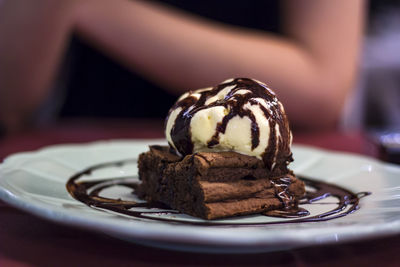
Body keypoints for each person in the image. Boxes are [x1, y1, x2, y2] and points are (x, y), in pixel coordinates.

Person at [0, 0, 365, 135]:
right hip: (79, 172)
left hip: (279, 190)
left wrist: (94, 9)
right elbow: (10, 105)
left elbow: (322, 86)